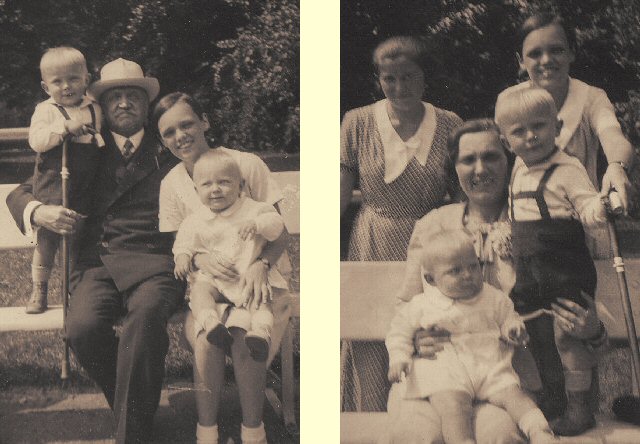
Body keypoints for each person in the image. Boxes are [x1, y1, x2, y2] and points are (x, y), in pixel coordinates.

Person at [386, 119, 608, 443]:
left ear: (511, 161)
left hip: (506, 382)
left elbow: (580, 303)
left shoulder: (543, 223)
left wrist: (593, 332)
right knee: (416, 436)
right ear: (455, 168)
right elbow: (406, 307)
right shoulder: (433, 225)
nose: (480, 169)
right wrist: (415, 340)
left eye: (491, 157)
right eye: (468, 159)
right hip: (435, 378)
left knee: (501, 437)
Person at [6, 58, 183, 444]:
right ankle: (134, 410)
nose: (123, 104)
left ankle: (132, 434)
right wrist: (42, 212)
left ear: (146, 105)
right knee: (81, 328)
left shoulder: (168, 148)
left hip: (156, 265)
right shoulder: (83, 148)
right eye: (114, 96)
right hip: (96, 264)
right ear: (100, 105)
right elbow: (21, 192)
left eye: (132, 96)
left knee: (146, 318)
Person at [153, 92, 290, 444]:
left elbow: (278, 229)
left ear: (205, 122)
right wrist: (198, 259)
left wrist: (261, 264)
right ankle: (207, 430)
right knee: (206, 337)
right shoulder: (172, 183)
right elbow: (180, 245)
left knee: (245, 337)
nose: (180, 136)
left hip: (259, 281)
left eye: (187, 124)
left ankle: (253, 429)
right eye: (169, 132)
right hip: (210, 286)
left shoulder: (245, 164)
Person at [340, 35, 463, 412]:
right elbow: (338, 193)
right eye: (389, 78)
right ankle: (368, 419)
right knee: (369, 334)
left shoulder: (449, 124)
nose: (399, 87)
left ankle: (425, 421)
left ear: (425, 77)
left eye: (408, 77)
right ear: (379, 79)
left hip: (431, 245)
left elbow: (461, 198)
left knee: (428, 336)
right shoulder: (357, 121)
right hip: (372, 241)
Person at [496, 87, 610, 435]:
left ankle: (580, 407)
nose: (531, 136)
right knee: (539, 337)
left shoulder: (567, 168)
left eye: (539, 126)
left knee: (567, 336)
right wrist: (507, 233)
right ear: (506, 139)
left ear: (557, 126)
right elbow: (518, 214)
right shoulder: (518, 170)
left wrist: (599, 208)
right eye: (519, 131)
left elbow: (587, 204)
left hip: (564, 270)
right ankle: (554, 398)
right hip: (530, 273)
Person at [386, 229, 555, 444]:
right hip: (447, 372)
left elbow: (508, 318)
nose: (468, 275)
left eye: (473, 266)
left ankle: (540, 432)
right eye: (455, 271)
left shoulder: (493, 297)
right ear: (431, 279)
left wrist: (513, 329)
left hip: (489, 366)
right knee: (454, 407)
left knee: (513, 395)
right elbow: (399, 332)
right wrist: (399, 359)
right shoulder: (422, 305)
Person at [498, 12, 635, 257]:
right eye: (535, 53)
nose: (546, 60)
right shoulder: (509, 101)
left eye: (557, 50)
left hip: (584, 229)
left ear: (572, 52)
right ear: (521, 60)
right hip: (529, 232)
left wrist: (617, 166)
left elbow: (612, 135)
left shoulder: (591, 97)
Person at [173, 150, 288, 362]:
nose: (215, 189)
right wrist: (182, 257)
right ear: (196, 190)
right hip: (215, 280)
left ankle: (260, 334)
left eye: (224, 182)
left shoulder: (253, 210)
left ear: (241, 186)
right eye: (207, 184)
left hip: (247, 276)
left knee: (260, 300)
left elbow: (276, 226)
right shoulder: (195, 219)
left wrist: (257, 224)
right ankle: (211, 323)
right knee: (200, 291)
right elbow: (184, 242)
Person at [25, 46, 105, 314]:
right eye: (57, 81)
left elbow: (101, 140)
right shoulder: (46, 110)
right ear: (46, 86)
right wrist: (62, 129)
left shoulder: (94, 107)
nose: (66, 86)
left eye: (73, 78)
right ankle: (40, 288)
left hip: (85, 186)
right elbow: (36, 140)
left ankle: (73, 289)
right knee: (47, 241)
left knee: (76, 242)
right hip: (53, 184)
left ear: (86, 79)